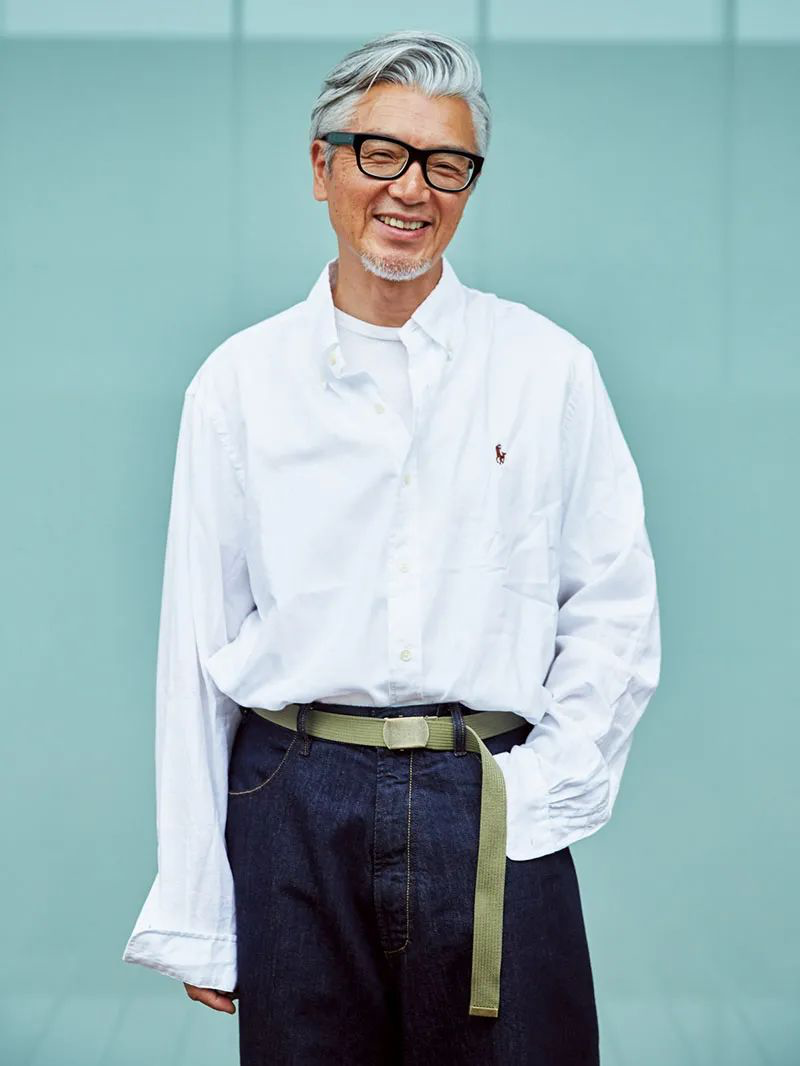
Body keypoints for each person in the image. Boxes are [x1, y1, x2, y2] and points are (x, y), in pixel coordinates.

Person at [122, 29, 661, 1065]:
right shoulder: (238, 385)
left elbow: (613, 605)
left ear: (467, 186)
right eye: (381, 154)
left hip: (488, 789)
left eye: (446, 165)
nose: (411, 188)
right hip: (290, 800)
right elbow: (195, 652)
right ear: (320, 166)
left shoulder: (546, 368)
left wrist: (537, 793)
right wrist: (195, 900)